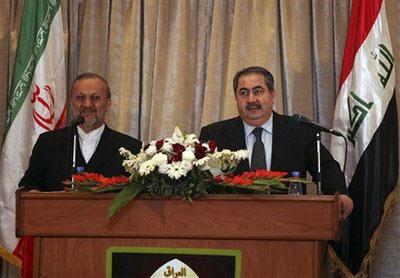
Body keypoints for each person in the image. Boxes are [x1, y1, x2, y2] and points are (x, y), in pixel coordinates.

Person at [199, 66, 353, 220]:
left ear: (272, 95)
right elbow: (199, 182)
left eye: (258, 91)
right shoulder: (214, 135)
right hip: (231, 224)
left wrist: (339, 194)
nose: (251, 99)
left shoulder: (299, 131)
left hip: (289, 222)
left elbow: (326, 168)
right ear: (236, 98)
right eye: (244, 93)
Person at [19, 72, 142, 191]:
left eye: (95, 98)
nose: (87, 104)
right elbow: (29, 186)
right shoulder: (48, 143)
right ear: (72, 103)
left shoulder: (131, 148)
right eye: (80, 98)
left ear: (108, 104)